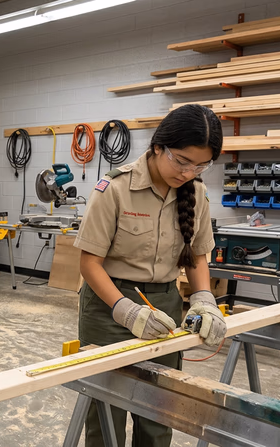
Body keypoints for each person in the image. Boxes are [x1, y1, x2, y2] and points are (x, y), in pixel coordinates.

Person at [74, 104, 227, 447]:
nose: (189, 172)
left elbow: (197, 256)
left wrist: (204, 299)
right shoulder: (114, 188)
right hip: (109, 306)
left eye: (201, 165)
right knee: (106, 411)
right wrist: (124, 310)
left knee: (158, 412)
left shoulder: (196, 192)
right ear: (159, 146)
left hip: (165, 305)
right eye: (182, 161)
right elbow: (89, 264)